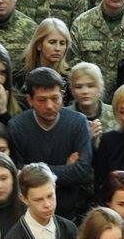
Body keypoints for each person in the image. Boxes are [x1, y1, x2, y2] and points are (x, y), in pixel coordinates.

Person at [9, 67, 93, 220]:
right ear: (30, 100)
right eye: (42, 100)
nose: (49, 105)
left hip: (69, 214)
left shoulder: (78, 122)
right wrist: (66, 170)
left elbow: (83, 171)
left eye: (55, 98)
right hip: (30, 215)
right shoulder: (17, 127)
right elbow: (19, 177)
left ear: (63, 95)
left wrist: (33, 171)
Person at [66, 62, 116, 148]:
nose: (85, 91)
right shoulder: (64, 117)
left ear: (100, 87)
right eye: (78, 87)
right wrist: (86, 138)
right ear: (72, 90)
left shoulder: (115, 114)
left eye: (90, 86)